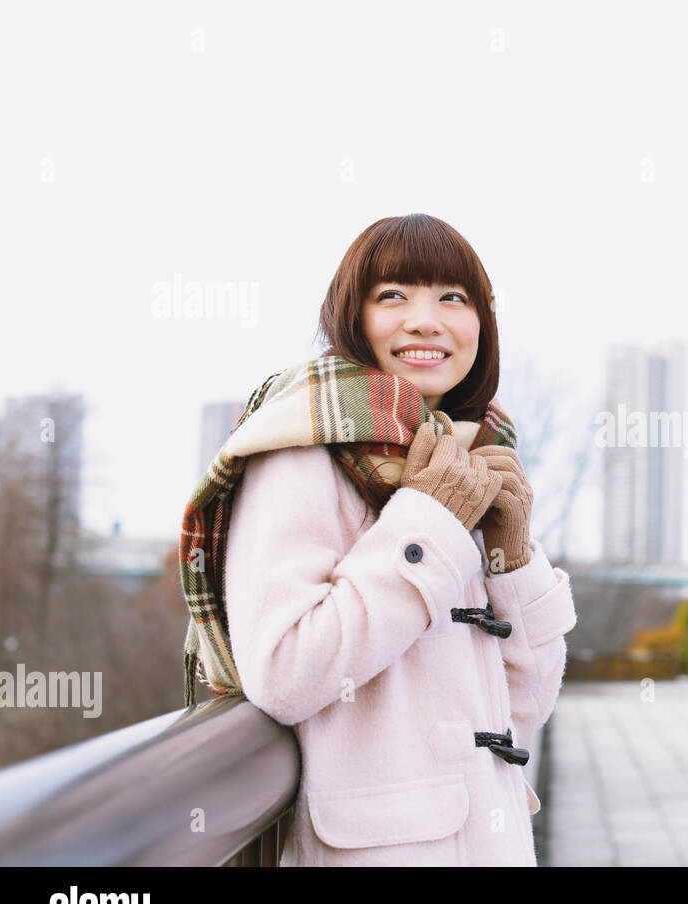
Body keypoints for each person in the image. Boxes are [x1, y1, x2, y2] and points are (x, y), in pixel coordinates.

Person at [221, 214, 576, 866]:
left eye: (453, 297)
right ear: (350, 316)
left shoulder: (465, 453)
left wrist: (512, 554)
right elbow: (283, 672)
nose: (425, 319)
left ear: (481, 325)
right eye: (393, 295)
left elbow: (524, 707)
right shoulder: (300, 451)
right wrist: (428, 520)